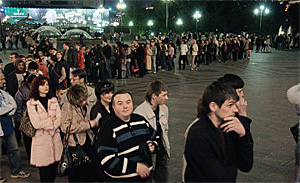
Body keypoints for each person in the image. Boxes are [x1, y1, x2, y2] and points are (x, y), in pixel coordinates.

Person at [183, 81, 253, 182]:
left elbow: (246, 165)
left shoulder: (229, 127)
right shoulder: (198, 134)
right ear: (213, 106)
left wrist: (243, 134)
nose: (236, 110)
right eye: (230, 105)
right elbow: (216, 178)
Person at [95, 90, 161, 182]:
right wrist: (135, 167)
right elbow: (106, 160)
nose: (125, 106)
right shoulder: (107, 128)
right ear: (113, 107)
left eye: (128, 102)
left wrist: (153, 144)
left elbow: (157, 137)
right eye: (120, 103)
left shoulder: (141, 120)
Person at [26, 75, 62, 182]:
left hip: (55, 138)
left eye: (47, 84)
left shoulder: (54, 100)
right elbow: (36, 124)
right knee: (44, 173)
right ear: (36, 86)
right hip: (41, 140)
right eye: (42, 84)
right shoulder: (31, 103)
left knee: (54, 170)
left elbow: (59, 119)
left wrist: (49, 123)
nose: (45, 87)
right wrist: (51, 120)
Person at [60, 84, 98, 182]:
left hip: (88, 141)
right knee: (77, 172)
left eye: (84, 99)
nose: (84, 102)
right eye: (81, 101)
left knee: (89, 170)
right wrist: (88, 125)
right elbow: (65, 127)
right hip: (74, 144)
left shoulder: (86, 105)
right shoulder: (67, 107)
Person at [134, 80, 170, 182]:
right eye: (164, 95)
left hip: (162, 150)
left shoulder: (164, 109)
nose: (166, 98)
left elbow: (165, 130)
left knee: (163, 177)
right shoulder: (139, 113)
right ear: (154, 96)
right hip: (148, 153)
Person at [0, 72, 31, 182]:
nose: (4, 81)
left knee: (14, 149)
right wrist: (7, 110)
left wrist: (6, 111)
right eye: (2, 79)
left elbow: (13, 105)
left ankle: (16, 170)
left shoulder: (3, 93)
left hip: (8, 126)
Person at [14, 75, 36, 161]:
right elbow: (18, 108)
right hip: (26, 120)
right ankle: (31, 158)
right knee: (28, 142)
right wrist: (19, 122)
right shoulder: (20, 93)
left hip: (37, 120)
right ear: (29, 84)